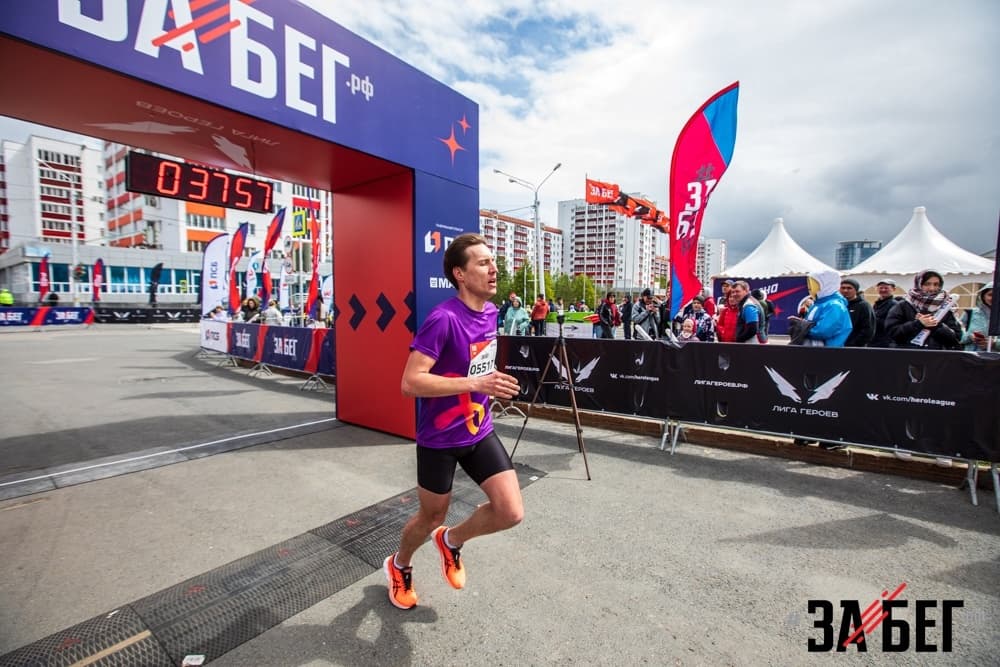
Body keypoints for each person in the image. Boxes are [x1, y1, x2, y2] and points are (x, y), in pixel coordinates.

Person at [387, 233, 523, 610]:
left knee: (510, 512)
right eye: (483, 263)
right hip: (440, 440)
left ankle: (451, 541)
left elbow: (474, 364)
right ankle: (399, 565)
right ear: (460, 274)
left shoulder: (491, 312)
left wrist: (488, 381)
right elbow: (410, 383)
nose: (494, 269)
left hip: (479, 431)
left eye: (493, 262)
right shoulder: (443, 319)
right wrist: (476, 383)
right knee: (431, 517)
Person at [885, 270, 962, 350]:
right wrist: (918, 323)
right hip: (909, 354)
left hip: (938, 355)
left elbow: (956, 337)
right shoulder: (903, 306)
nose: (932, 288)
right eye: (927, 284)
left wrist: (935, 325)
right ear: (919, 284)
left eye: (936, 284)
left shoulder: (945, 306)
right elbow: (892, 333)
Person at [789, 269, 852, 347]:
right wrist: (800, 322)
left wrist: (800, 326)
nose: (809, 288)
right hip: (814, 349)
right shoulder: (818, 304)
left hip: (827, 350)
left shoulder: (834, 306)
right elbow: (812, 324)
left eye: (813, 284)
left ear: (826, 284)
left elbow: (823, 332)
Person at [959, 282, 996, 351]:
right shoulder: (970, 313)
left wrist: (995, 343)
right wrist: (970, 337)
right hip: (971, 356)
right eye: (990, 295)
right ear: (983, 296)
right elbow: (959, 336)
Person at [839, 278, 875, 347]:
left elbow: (868, 329)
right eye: (843, 288)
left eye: (849, 288)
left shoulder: (863, 305)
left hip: (854, 347)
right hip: (838, 344)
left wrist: (853, 344)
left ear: (856, 290)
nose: (845, 290)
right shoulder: (838, 305)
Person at [869, 279, 901, 348]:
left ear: (894, 289)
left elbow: (892, 323)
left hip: (886, 342)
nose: (883, 290)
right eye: (881, 288)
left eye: (886, 288)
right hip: (875, 340)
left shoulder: (894, 304)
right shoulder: (877, 304)